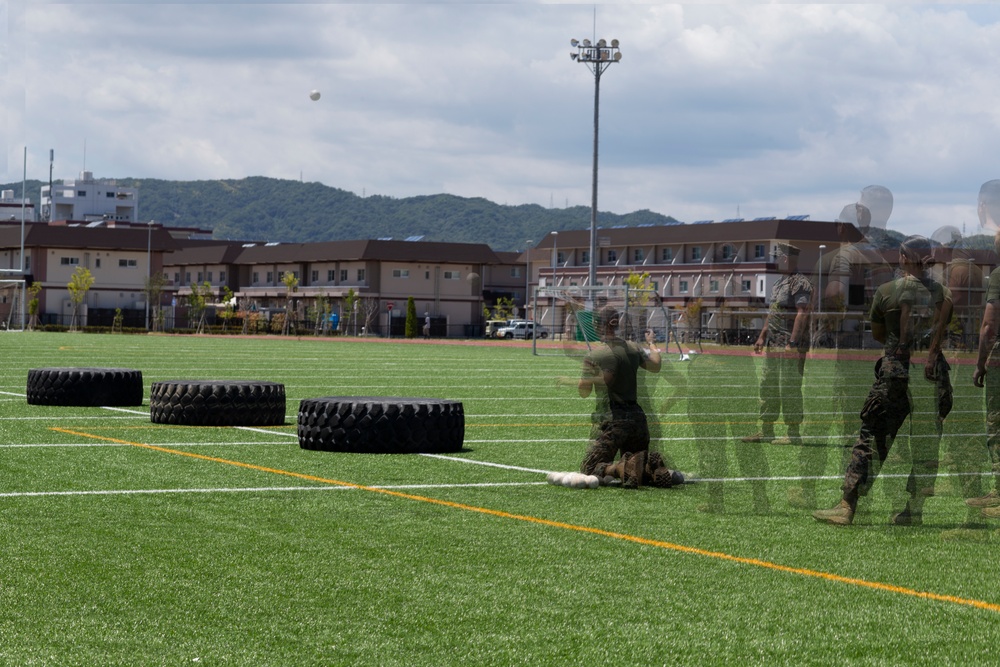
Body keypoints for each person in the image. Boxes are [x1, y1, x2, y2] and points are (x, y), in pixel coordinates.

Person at [814, 236, 953, 526]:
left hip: (896, 371)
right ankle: (914, 510)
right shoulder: (943, 294)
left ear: (903, 258)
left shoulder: (886, 291)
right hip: (931, 374)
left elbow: (878, 334)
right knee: (927, 444)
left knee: (872, 435)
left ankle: (847, 506)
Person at [577, 306, 683, 488]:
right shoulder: (634, 348)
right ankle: (650, 467)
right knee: (636, 465)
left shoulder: (596, 354)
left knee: (590, 468)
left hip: (613, 420)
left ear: (600, 325)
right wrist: (652, 344)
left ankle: (618, 469)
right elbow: (655, 366)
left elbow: (583, 392)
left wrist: (588, 372)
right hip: (638, 420)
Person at [743, 243, 813, 445]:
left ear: (785, 258)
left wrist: (793, 342)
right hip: (774, 344)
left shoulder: (800, 283)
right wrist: (762, 336)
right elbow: (773, 312)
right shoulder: (779, 283)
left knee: (789, 386)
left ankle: (793, 434)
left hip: (789, 345)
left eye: (777, 257)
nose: (775, 261)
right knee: (768, 385)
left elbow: (802, 312)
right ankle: (767, 430)